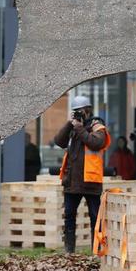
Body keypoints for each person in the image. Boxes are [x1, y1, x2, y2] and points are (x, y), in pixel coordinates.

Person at [54, 95, 111, 253]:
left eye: (81, 111)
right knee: (70, 215)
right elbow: (59, 141)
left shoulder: (97, 126)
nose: (79, 114)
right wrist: (69, 123)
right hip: (72, 182)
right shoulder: (73, 127)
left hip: (90, 182)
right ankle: (69, 250)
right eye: (76, 111)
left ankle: (96, 249)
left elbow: (96, 143)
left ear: (88, 110)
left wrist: (79, 128)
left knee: (95, 217)